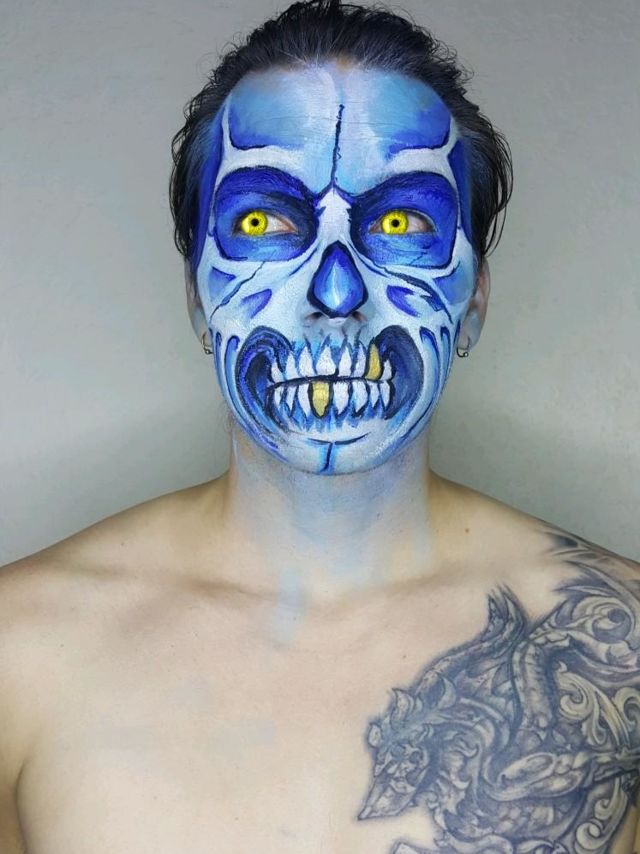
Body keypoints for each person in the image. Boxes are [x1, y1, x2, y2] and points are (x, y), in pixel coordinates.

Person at [1, 1, 639, 852]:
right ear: (197, 299)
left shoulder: (622, 652)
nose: (336, 292)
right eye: (263, 222)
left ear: (474, 301)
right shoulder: (19, 655)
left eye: (401, 222)